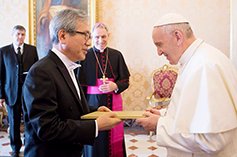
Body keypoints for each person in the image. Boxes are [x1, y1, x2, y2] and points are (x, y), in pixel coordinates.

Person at [22, 8, 122, 157]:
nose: (89, 42)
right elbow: (47, 128)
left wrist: (93, 111)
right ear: (63, 36)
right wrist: (95, 126)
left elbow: (67, 107)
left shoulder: (68, 66)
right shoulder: (42, 72)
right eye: (86, 35)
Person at [136, 13, 237, 156]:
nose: (159, 52)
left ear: (178, 36)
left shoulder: (205, 66)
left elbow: (212, 141)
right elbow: (194, 110)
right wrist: (163, 114)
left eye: (159, 45)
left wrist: (159, 125)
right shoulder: (197, 59)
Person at [78, 23, 130, 157]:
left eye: (103, 36)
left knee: (112, 134)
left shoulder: (116, 55)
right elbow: (79, 85)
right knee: (96, 136)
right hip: (92, 103)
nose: (100, 40)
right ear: (91, 37)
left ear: (109, 36)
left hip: (113, 101)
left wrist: (116, 86)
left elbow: (125, 81)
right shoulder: (85, 56)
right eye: (96, 37)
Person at [0, 25, 38, 157]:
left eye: (22, 34)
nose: (20, 37)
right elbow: (1, 75)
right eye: (17, 34)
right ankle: (15, 148)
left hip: (28, 94)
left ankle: (29, 145)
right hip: (11, 93)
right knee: (14, 123)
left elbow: (36, 72)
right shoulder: (3, 51)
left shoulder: (32, 50)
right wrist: (1, 96)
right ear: (12, 35)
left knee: (29, 121)